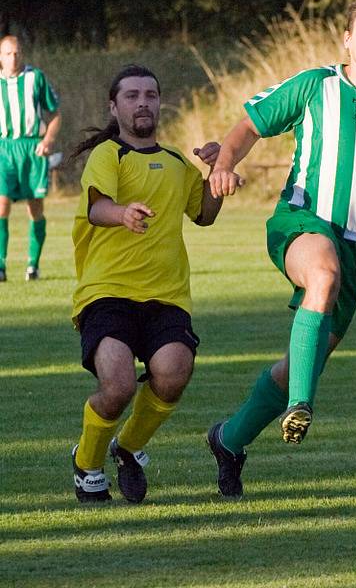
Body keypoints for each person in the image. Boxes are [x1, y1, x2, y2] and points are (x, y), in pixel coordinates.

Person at [206, 0, 356, 499]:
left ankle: (229, 440)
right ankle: (302, 406)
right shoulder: (316, 85)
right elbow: (249, 125)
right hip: (302, 220)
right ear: (347, 38)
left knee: (302, 360)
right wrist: (224, 162)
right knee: (323, 275)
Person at [70, 64, 223, 504]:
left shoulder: (176, 161)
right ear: (114, 107)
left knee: (173, 374)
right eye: (132, 95)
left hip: (166, 295)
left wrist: (217, 173)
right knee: (116, 387)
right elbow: (97, 208)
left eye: (151, 95)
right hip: (108, 293)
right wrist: (123, 214)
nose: (143, 103)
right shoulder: (108, 155)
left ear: (159, 103)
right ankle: (87, 463)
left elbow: (204, 214)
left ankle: (130, 447)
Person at [0, 35, 61, 281]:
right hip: (4, 149)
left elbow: (55, 114)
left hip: (32, 149)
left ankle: (32, 265)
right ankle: (1, 266)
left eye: (17, 53)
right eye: (8, 53)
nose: (13, 57)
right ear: (0, 57)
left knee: (34, 209)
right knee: (1, 206)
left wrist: (48, 141)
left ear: (22, 54)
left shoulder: (36, 78)